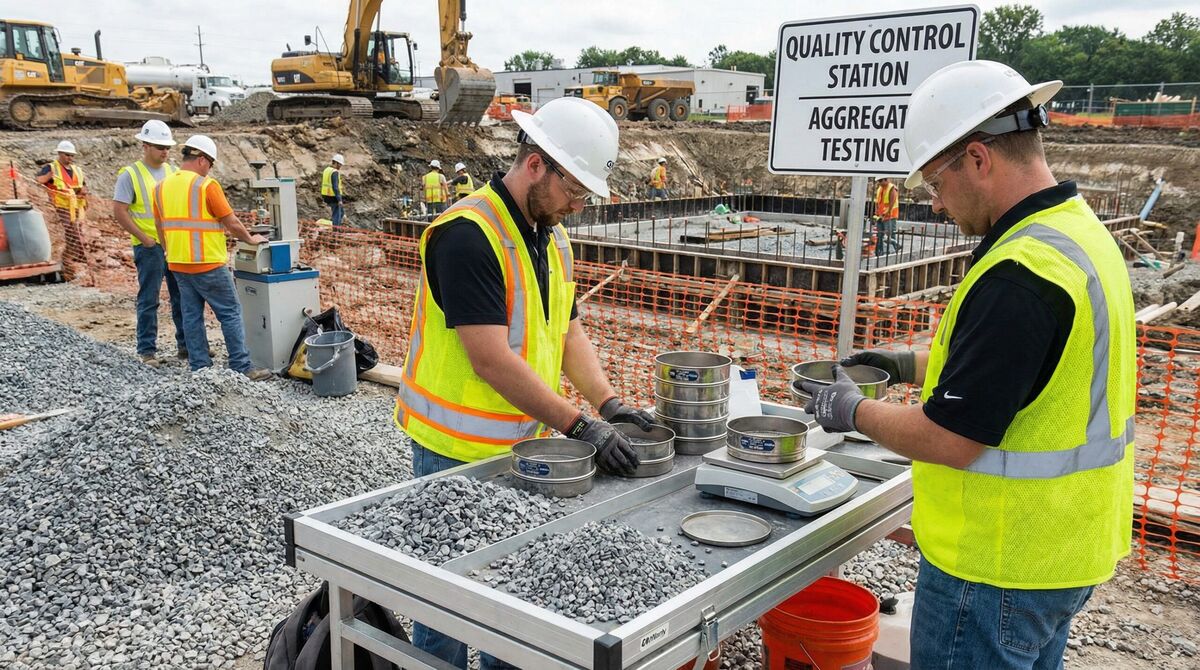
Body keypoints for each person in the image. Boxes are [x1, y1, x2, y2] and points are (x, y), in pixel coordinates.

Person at [803, 60, 1136, 670]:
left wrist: (851, 409)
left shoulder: (1021, 272)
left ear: (979, 159)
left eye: (935, 182)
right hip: (1064, 551)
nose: (934, 204)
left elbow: (951, 440)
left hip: (997, 566)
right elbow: (1028, 365)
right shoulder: (1076, 235)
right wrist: (905, 362)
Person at [396, 96, 653, 670]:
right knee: (448, 606)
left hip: (522, 451)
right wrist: (578, 424)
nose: (577, 206)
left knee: (512, 603)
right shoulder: (466, 235)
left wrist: (608, 403)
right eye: (574, 190)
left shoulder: (550, 234)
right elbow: (490, 357)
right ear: (536, 164)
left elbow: (566, 330)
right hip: (452, 452)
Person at [153, 135, 272, 381]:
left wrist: (169, 251)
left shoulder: (160, 187)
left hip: (177, 263)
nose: (210, 169)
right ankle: (241, 365)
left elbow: (160, 226)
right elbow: (231, 222)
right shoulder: (206, 186)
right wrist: (251, 238)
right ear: (202, 160)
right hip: (207, 262)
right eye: (211, 164)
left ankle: (200, 368)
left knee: (191, 315)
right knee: (230, 312)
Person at [112, 121, 188, 367]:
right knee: (149, 299)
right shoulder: (130, 175)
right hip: (150, 247)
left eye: (167, 147)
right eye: (159, 147)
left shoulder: (173, 172)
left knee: (181, 297)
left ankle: (186, 347)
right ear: (145, 146)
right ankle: (147, 351)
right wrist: (144, 239)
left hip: (173, 245)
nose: (164, 151)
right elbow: (120, 211)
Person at [36, 140, 89, 280]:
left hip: (77, 206)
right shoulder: (51, 167)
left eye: (72, 155)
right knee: (70, 231)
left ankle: (75, 256)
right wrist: (49, 176)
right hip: (60, 206)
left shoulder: (77, 170)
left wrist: (83, 191)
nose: (70, 158)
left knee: (77, 230)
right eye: (67, 155)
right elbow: (39, 180)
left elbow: (83, 186)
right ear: (59, 153)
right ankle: (77, 257)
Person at [873, 176, 901, 254]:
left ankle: (894, 249)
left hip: (890, 216)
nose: (879, 183)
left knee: (890, 234)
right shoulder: (880, 189)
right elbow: (877, 202)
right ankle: (880, 251)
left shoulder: (892, 188)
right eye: (878, 181)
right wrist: (877, 212)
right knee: (879, 235)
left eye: (880, 181)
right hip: (880, 216)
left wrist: (886, 213)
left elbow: (892, 202)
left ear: (886, 180)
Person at [321, 154, 345, 226]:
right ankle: (335, 231)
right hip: (333, 196)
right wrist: (339, 199)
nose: (340, 166)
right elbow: (335, 187)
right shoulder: (334, 172)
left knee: (341, 212)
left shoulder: (326, 170)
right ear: (336, 163)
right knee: (337, 214)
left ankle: (333, 225)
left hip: (326, 195)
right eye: (340, 164)